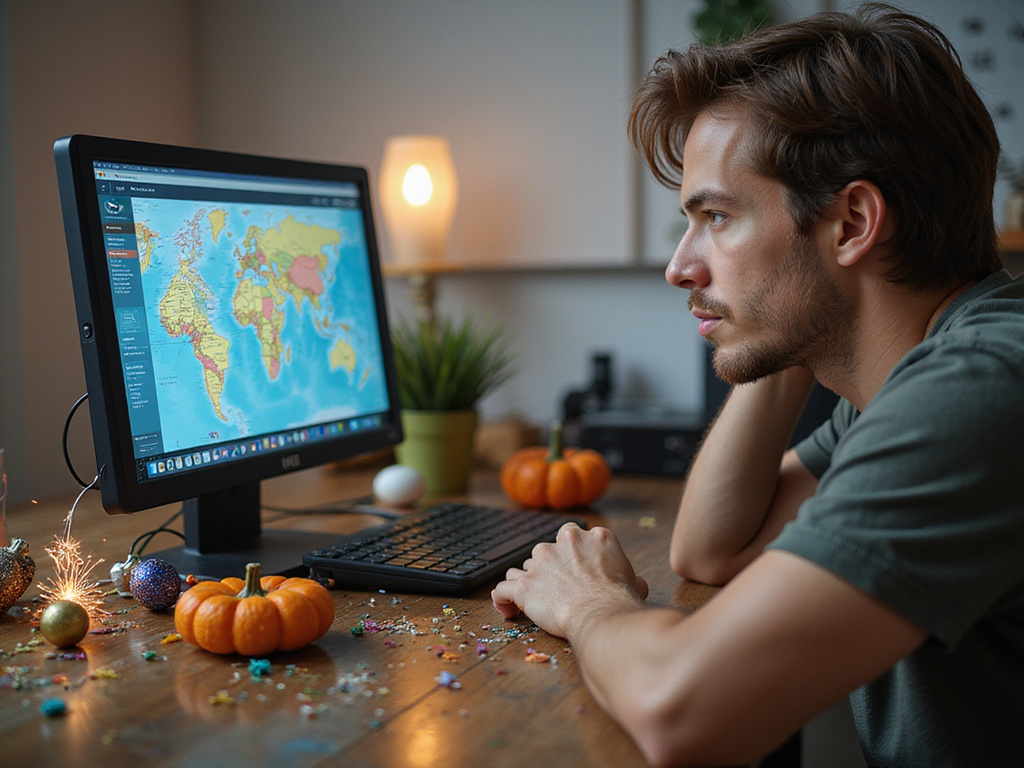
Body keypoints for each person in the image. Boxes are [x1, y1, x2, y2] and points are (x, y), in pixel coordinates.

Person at [491, 4, 1024, 766]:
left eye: (715, 217)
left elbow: (684, 712)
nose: (680, 267)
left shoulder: (980, 389)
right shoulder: (909, 374)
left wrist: (589, 603)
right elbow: (712, 548)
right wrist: (792, 329)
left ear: (851, 224)